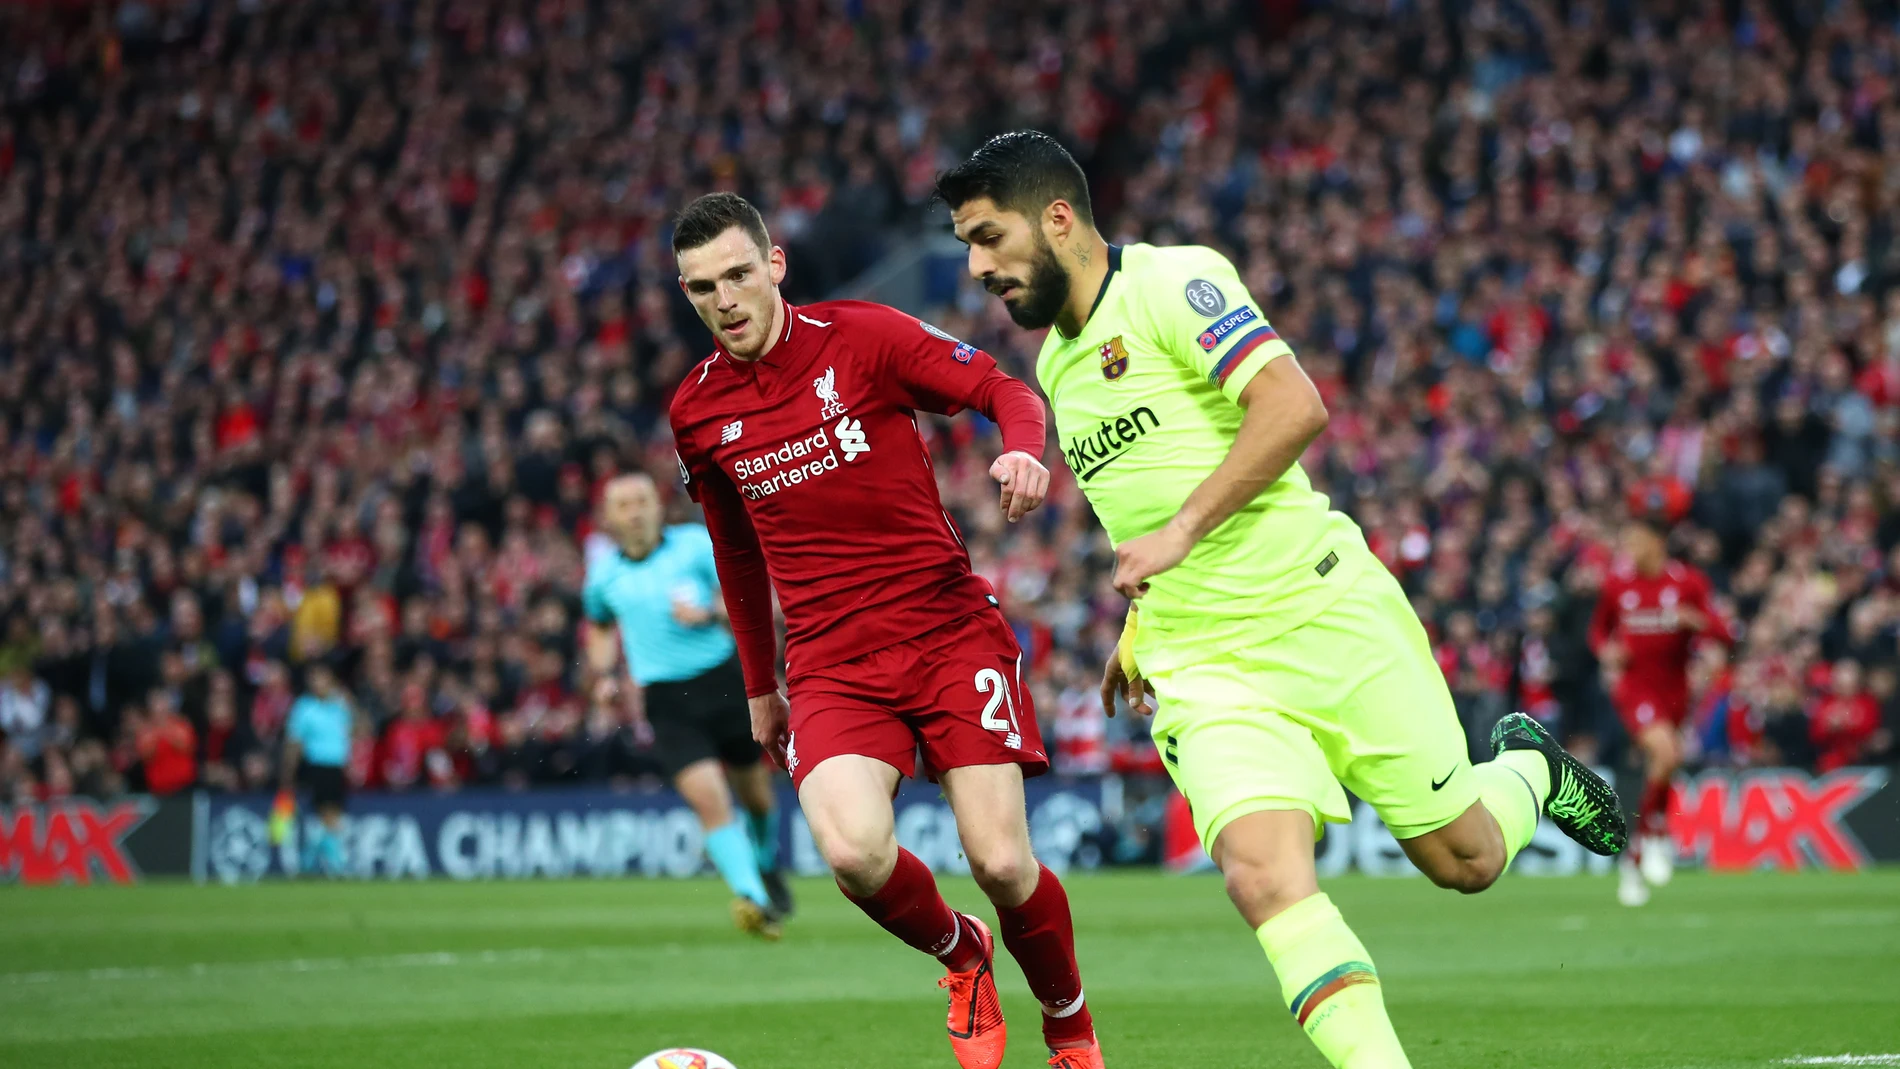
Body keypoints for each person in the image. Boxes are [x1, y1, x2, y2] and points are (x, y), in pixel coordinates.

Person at [938, 131, 1626, 1069]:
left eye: (988, 237)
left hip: (1324, 609)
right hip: (1203, 664)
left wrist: (1181, 531)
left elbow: (1294, 406)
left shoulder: (1174, 283)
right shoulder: (1057, 366)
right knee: (1262, 875)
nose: (978, 268)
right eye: (966, 247)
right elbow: (1140, 504)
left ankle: (1530, 771)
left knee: (1464, 860)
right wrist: (1142, 620)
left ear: (1058, 218)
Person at [666, 192, 1104, 1069]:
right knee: (854, 853)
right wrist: (761, 685)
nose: (725, 300)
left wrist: (1024, 444)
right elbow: (736, 555)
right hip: (830, 662)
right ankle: (962, 955)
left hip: (947, 631)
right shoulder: (697, 412)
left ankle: (1068, 1027)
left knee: (1004, 864)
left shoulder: (862, 336)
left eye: (739, 275)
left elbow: (1001, 385)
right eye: (702, 287)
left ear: (775, 264)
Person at [582, 472, 793, 939]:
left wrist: (711, 613)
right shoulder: (603, 577)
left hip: (723, 681)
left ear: (658, 507)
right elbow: (599, 626)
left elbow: (748, 591)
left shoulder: (694, 546)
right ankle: (754, 899)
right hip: (666, 700)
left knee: (756, 797)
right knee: (710, 800)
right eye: (624, 505)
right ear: (610, 518)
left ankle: (763, 865)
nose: (635, 511)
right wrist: (603, 677)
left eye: (642, 500)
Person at [1589, 513, 1732, 905]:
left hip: (1675, 690)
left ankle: (1638, 852)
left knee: (1665, 763)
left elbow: (1725, 632)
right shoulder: (1619, 585)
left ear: (1657, 542)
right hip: (1635, 689)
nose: (1628, 550)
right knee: (1666, 752)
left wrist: (1696, 621)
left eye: (1635, 541)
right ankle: (1655, 838)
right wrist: (1607, 651)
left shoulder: (1688, 583)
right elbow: (1599, 630)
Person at [283, 662, 354, 877]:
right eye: (315, 679)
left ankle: (312, 858)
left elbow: (359, 727)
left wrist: (350, 702)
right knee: (326, 812)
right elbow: (294, 743)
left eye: (323, 678)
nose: (319, 683)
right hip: (317, 765)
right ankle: (333, 862)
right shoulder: (304, 707)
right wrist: (288, 773)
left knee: (333, 813)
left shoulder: (340, 704)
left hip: (338, 765)